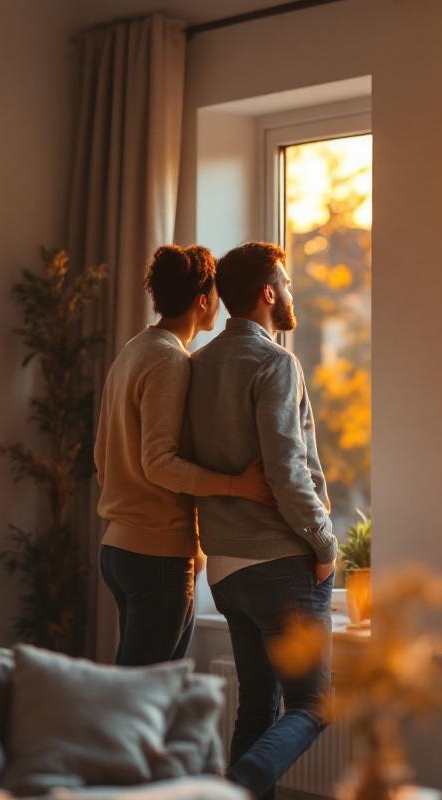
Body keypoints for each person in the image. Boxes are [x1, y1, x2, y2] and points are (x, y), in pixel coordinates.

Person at [185, 242, 337, 800]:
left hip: (225, 568)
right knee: (314, 704)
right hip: (279, 562)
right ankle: (235, 785)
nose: (292, 293)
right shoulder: (276, 363)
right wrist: (324, 543)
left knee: (256, 709)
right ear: (269, 294)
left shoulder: (197, 365)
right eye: (287, 283)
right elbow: (286, 467)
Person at [94, 244, 273, 667]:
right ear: (202, 300)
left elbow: (103, 457)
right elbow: (159, 463)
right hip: (155, 555)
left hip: (119, 549)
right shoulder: (170, 360)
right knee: (146, 692)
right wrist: (237, 486)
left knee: (137, 687)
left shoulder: (134, 349)